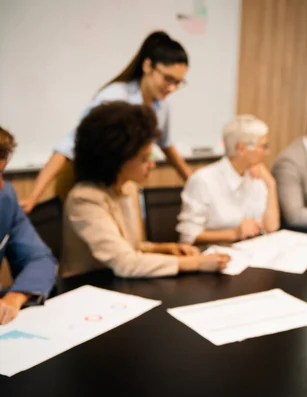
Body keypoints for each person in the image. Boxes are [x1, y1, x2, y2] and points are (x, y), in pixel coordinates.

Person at [20, 31, 194, 213]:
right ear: (147, 65)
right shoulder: (115, 97)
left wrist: (192, 181)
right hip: (84, 183)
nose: (172, 88)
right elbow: (67, 146)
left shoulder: (162, 107)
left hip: (116, 185)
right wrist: (34, 196)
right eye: (168, 79)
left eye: (178, 82)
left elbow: (166, 144)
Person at [60, 101, 230, 278]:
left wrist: (165, 249)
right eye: (144, 158)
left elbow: (131, 246)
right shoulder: (85, 199)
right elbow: (125, 263)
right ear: (117, 159)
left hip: (118, 283)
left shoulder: (128, 188)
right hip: (87, 287)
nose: (152, 164)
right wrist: (196, 263)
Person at [176, 115, 279, 244]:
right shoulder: (204, 180)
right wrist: (235, 233)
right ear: (241, 149)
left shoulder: (256, 177)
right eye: (263, 146)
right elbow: (188, 236)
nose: (266, 152)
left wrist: (271, 184)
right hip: (213, 256)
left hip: (249, 251)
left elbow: (271, 227)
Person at [0, 126, 57, 325]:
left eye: (1, 172)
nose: (0, 184)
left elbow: (40, 259)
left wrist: (16, 295)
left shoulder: (5, 199)